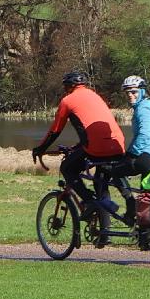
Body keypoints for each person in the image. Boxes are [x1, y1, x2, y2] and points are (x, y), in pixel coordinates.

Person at [32, 71, 128, 233]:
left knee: (67, 168)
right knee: (101, 182)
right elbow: (92, 127)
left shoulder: (68, 101)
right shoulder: (95, 96)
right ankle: (104, 233)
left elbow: (55, 131)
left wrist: (39, 149)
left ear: (68, 87)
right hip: (118, 145)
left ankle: (89, 202)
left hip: (97, 148)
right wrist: (78, 147)